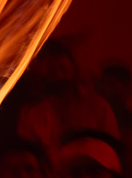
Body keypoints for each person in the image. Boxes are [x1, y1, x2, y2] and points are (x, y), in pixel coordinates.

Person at [16, 40, 118, 168]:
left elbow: (112, 146)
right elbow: (27, 152)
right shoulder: (31, 112)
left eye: (63, 69)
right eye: (51, 69)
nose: (57, 75)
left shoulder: (97, 106)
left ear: (73, 70)